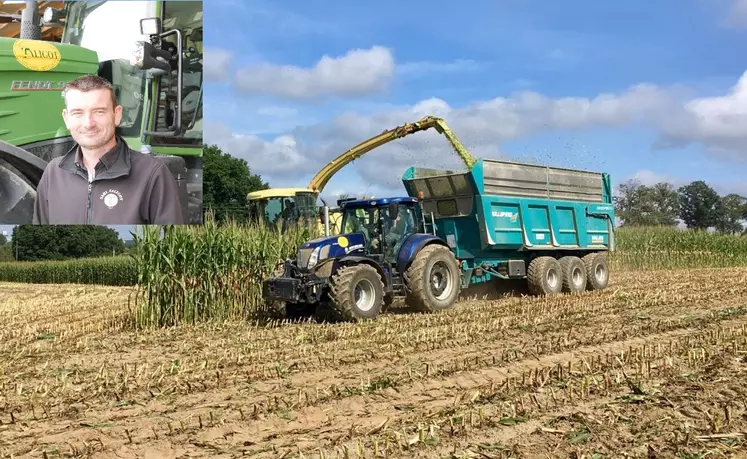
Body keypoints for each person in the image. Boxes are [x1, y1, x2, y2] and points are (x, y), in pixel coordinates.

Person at [32, 74, 184, 225]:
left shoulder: (152, 174)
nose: (88, 123)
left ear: (117, 115)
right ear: (66, 118)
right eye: (77, 113)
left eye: (99, 111)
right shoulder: (53, 173)